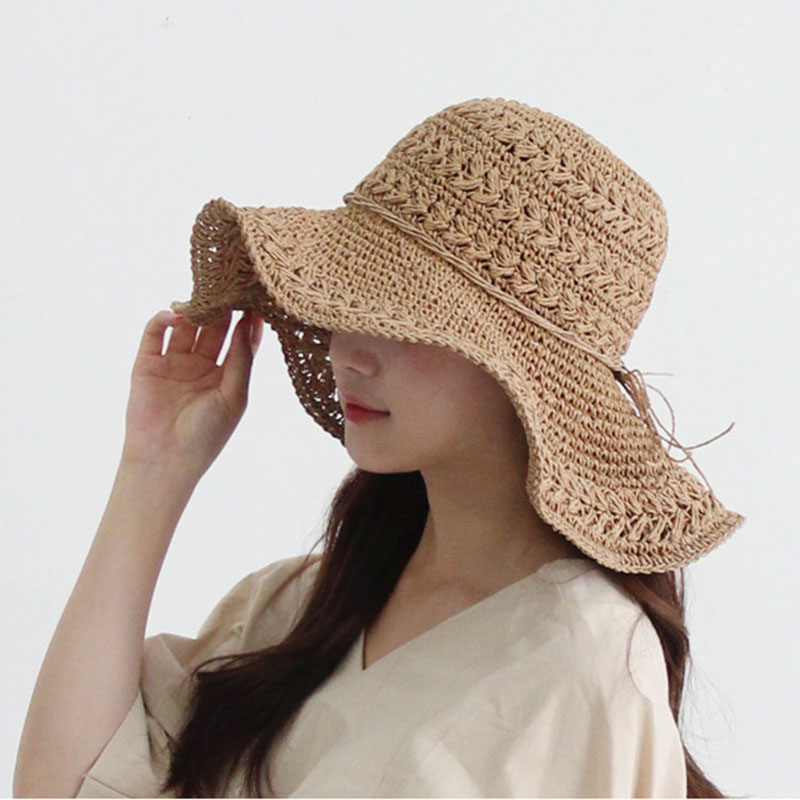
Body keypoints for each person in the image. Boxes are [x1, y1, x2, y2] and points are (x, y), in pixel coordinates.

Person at [14, 97, 745, 798]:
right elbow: (63, 789)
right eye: (347, 301)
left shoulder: (583, 662)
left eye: (404, 316)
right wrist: (153, 469)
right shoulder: (295, 608)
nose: (346, 350)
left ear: (519, 375)